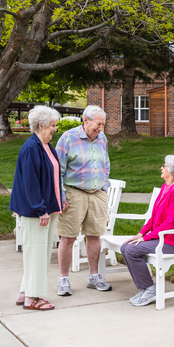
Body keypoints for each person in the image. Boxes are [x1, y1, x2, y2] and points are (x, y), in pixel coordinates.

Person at [10, 105, 65, 311]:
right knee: (37, 254)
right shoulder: (32, 147)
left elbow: (51, 179)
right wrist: (40, 209)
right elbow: (30, 183)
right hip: (36, 212)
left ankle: (25, 291)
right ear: (41, 125)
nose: (54, 129)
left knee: (39, 254)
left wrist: (59, 201)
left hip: (48, 208)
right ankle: (34, 298)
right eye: (52, 125)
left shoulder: (46, 146)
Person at [55, 105, 111, 295]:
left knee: (95, 236)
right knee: (68, 237)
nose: (101, 128)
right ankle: (63, 279)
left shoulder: (102, 138)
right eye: (98, 124)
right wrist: (61, 196)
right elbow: (57, 170)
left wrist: (105, 187)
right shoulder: (68, 138)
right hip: (74, 193)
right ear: (85, 120)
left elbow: (106, 164)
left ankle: (94, 276)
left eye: (103, 124)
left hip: (97, 194)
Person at [121, 155, 174, 307]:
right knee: (125, 246)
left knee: (132, 250)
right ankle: (145, 287)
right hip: (163, 238)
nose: (161, 167)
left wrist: (146, 238)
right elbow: (153, 217)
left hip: (173, 242)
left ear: (173, 171)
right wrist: (141, 234)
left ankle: (150, 289)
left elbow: (170, 222)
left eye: (164, 165)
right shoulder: (165, 187)